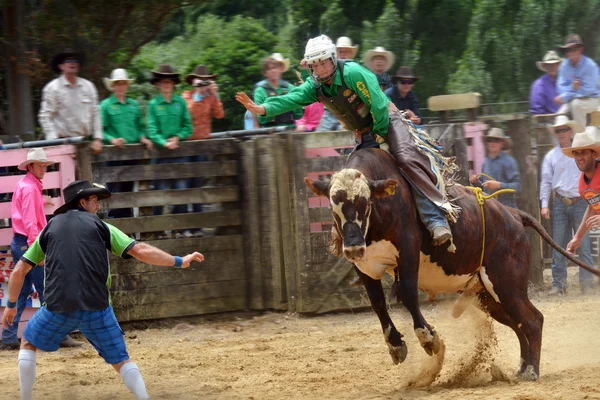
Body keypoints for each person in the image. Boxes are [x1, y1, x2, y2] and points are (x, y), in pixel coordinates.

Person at [237, 35, 456, 246]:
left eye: (323, 63)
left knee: (407, 160)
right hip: (363, 132)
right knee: (351, 182)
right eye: (315, 65)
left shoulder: (353, 73)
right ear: (310, 67)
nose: (320, 69)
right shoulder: (315, 86)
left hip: (388, 122)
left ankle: (435, 219)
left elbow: (378, 105)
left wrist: (378, 134)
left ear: (332, 59)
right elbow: (291, 98)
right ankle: (358, 238)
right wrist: (263, 108)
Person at [0, 180, 205, 400]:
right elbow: (141, 250)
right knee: (121, 360)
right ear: (82, 202)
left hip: (59, 305)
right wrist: (178, 261)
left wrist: (11, 306)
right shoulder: (101, 226)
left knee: (28, 343)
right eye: (95, 200)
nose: (98, 206)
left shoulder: (50, 229)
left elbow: (20, 271)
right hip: (96, 305)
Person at [0, 148, 83, 350]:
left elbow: (27, 214)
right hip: (29, 244)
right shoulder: (30, 188)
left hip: (21, 242)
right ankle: (60, 334)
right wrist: (36, 251)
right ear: (30, 166)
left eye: (44, 165)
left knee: (21, 292)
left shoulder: (27, 186)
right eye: (40, 165)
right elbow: (30, 221)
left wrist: (42, 200)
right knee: (49, 288)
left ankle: (9, 338)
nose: (43, 169)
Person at [540, 116, 594, 295]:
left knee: (583, 245)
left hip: (580, 202)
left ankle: (587, 284)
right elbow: (546, 181)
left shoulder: (579, 153)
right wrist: (545, 204)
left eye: (564, 129)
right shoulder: (551, 156)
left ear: (570, 131)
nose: (561, 133)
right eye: (558, 130)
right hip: (561, 203)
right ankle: (559, 284)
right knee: (558, 245)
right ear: (555, 133)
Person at [100, 68, 153, 219]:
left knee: (128, 191)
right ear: (113, 86)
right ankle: (115, 228)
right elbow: (100, 131)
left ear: (127, 85)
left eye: (124, 83)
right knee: (114, 192)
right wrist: (112, 140)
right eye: (118, 83)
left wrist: (142, 137)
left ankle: (128, 229)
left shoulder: (134, 105)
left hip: (132, 155)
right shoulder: (105, 105)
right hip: (114, 156)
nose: (121, 86)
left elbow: (140, 127)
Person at [146, 64, 193, 237]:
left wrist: (177, 137)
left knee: (181, 190)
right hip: (160, 155)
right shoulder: (153, 104)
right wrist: (163, 142)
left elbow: (188, 127)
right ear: (158, 84)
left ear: (173, 83)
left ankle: (179, 228)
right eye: (163, 81)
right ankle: (158, 229)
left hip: (178, 153)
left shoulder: (180, 102)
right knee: (159, 191)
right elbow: (151, 130)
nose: (166, 84)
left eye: (169, 81)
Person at [38, 48, 103, 154]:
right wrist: (54, 142)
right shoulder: (52, 88)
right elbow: (45, 116)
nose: (73, 63)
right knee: (66, 171)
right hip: (63, 143)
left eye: (75, 60)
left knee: (87, 171)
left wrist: (97, 139)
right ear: (61, 66)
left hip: (85, 143)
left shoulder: (88, 86)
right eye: (68, 61)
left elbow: (96, 113)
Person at [564, 129, 600, 289]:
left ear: (594, 154)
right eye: (576, 153)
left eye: (583, 152)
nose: (579, 157)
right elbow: (592, 207)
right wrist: (577, 238)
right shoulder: (582, 184)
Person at [555, 34, 600, 127]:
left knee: (576, 105)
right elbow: (560, 88)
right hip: (571, 99)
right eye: (568, 50)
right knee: (559, 116)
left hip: (592, 99)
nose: (571, 52)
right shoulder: (564, 66)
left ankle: (581, 139)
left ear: (580, 49)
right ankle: (562, 141)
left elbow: (588, 91)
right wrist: (573, 87)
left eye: (574, 49)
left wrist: (565, 96)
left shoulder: (590, 65)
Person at [469, 128, 521, 208]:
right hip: (490, 209)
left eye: (496, 140)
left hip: (508, 210)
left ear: (502, 143)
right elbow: (483, 188)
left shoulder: (509, 161)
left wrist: (499, 185)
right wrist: (475, 182)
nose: (492, 143)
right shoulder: (485, 162)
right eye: (490, 140)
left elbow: (518, 187)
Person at [317, 37, 359, 132]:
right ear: (335, 54)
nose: (343, 54)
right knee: (319, 139)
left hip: (350, 113)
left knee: (347, 140)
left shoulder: (355, 72)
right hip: (330, 112)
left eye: (346, 51)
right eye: (340, 51)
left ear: (351, 54)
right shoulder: (327, 70)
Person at [254, 53, 303, 129]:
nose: (273, 71)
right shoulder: (260, 91)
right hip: (269, 132)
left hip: (290, 130)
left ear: (280, 69)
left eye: (276, 68)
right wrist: (275, 107)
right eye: (270, 69)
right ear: (265, 73)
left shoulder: (290, 87)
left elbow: (298, 114)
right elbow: (261, 119)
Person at [182, 65, 224, 140]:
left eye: (206, 80)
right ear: (193, 82)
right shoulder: (186, 95)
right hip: (188, 140)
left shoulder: (210, 96)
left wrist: (215, 94)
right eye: (200, 80)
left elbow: (219, 115)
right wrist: (198, 94)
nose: (203, 83)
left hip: (205, 139)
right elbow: (188, 113)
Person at [529, 51, 562, 115]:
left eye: (555, 64)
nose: (552, 67)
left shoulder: (565, 82)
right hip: (548, 121)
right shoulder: (539, 85)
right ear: (545, 66)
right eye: (549, 64)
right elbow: (537, 110)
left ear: (558, 65)